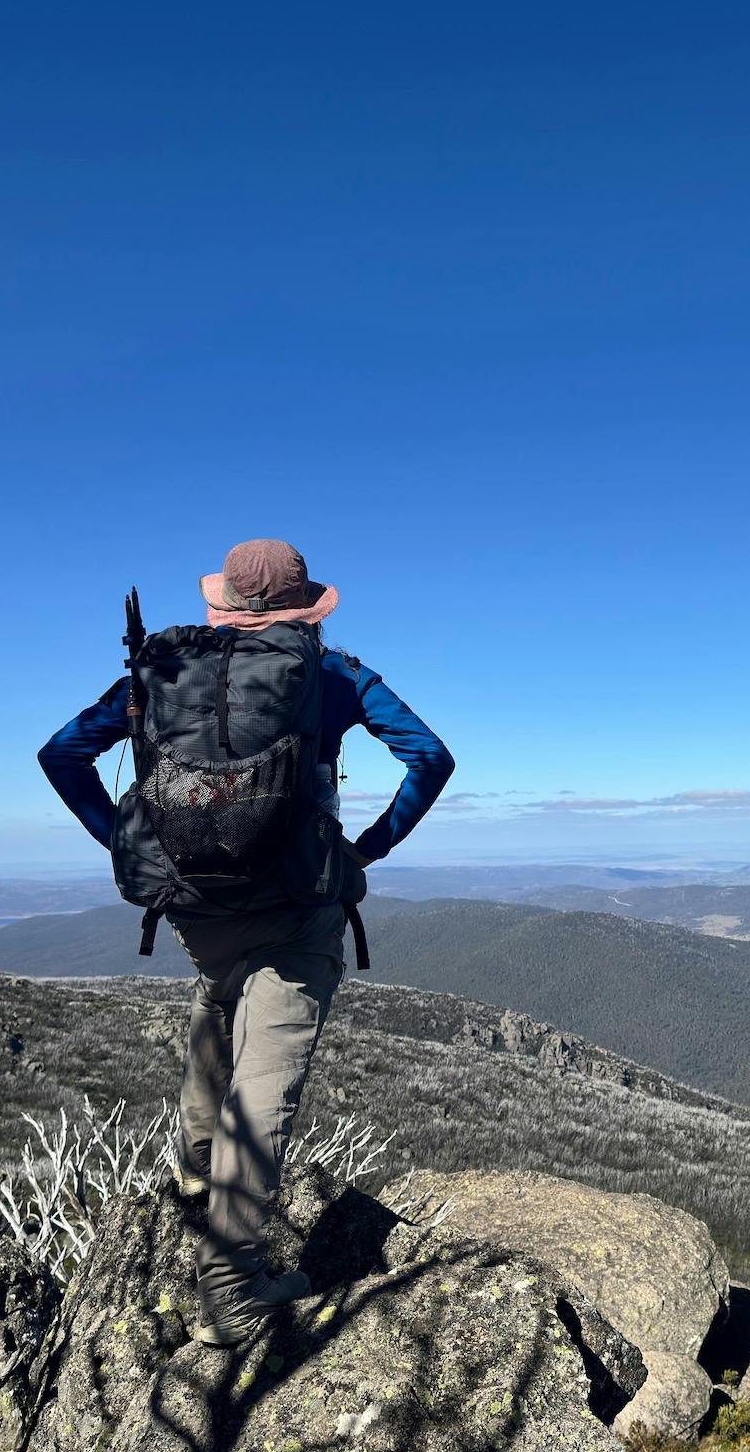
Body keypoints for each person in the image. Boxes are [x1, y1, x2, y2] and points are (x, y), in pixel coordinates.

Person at [38, 539, 452, 1345]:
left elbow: (64, 753)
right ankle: (231, 1283)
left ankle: (198, 1170)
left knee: (220, 997)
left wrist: (124, 840)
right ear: (306, 609)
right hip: (300, 904)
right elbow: (428, 757)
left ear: (221, 605)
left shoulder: (162, 674)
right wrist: (369, 847)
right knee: (268, 1080)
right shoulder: (329, 675)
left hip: (192, 903)